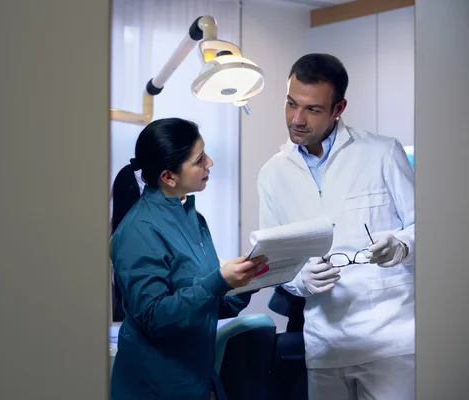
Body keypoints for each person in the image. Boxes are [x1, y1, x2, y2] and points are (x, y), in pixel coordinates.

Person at [257, 53, 415, 399]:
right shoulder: (272, 174)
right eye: (290, 104)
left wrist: (402, 245)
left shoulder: (382, 152)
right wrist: (300, 281)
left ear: (338, 108)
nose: (296, 119)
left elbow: (427, 228)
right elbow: (273, 259)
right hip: (325, 342)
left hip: (391, 339)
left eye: (312, 109)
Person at [110, 117, 268, 400]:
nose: (210, 163)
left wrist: (250, 280)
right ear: (168, 176)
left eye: (205, 153)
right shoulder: (139, 231)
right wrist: (218, 281)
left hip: (193, 379)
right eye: (199, 160)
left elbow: (206, 308)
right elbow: (154, 317)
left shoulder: (193, 218)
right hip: (154, 387)